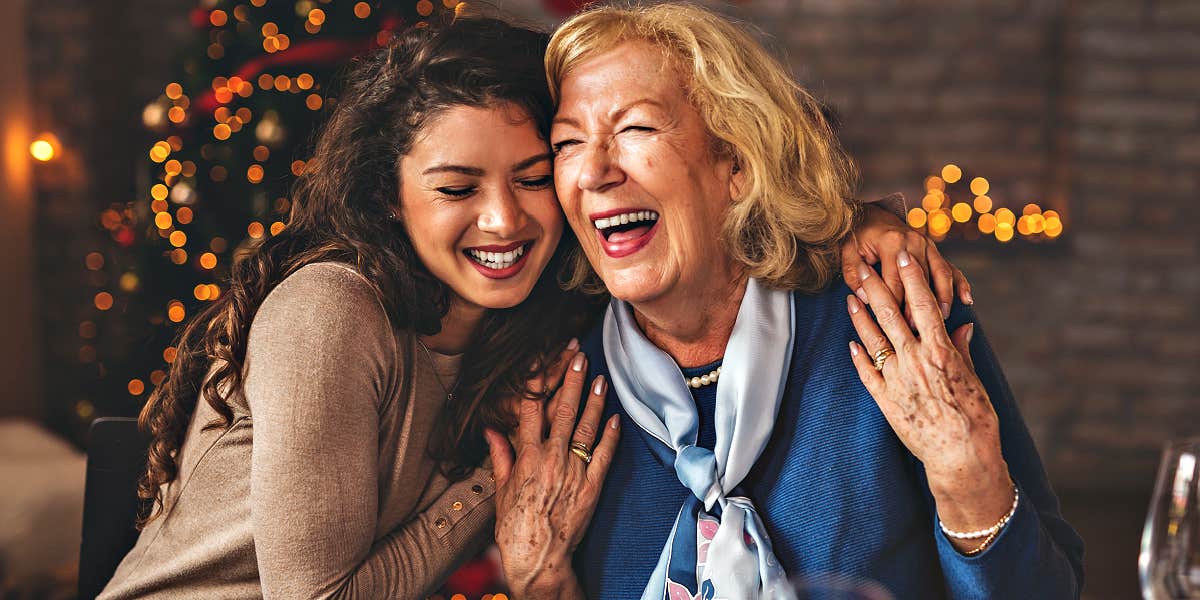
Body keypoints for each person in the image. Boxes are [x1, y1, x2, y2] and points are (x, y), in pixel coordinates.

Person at [99, 13, 946, 599]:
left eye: (538, 174)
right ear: (390, 199)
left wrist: (858, 227)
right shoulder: (333, 309)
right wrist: (488, 490)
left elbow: (737, 179)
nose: (505, 220)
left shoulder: (544, 314)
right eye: (457, 188)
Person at [486, 4, 1084, 599]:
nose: (592, 171)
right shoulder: (559, 387)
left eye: (636, 129)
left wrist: (966, 481)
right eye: (567, 143)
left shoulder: (890, 316)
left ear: (738, 164)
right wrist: (538, 583)